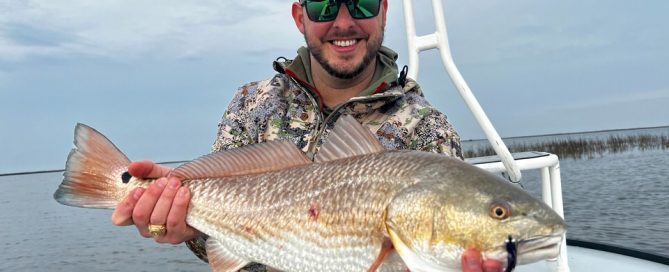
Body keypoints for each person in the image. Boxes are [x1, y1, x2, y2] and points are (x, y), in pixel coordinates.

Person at [111, 1, 502, 271]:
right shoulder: (251, 104)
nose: (344, 22)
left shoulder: (428, 131)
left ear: (383, 10)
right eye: (323, 6)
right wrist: (181, 223)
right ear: (300, 17)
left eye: (361, 2)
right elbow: (223, 251)